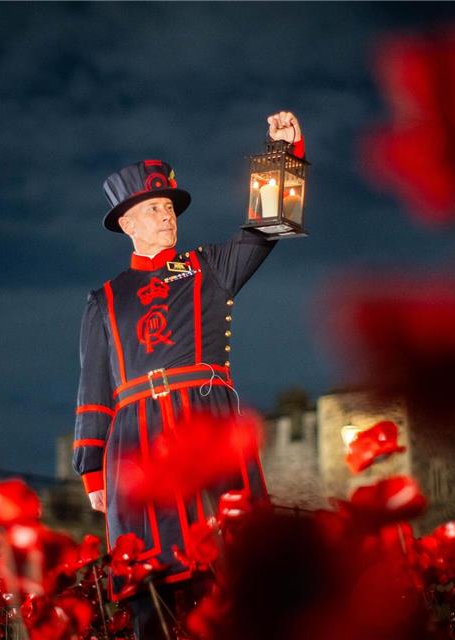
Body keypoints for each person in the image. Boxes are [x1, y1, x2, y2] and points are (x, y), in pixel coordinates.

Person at [73, 111, 305, 638]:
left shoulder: (210, 267)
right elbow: (94, 387)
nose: (166, 216)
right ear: (126, 223)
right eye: (153, 208)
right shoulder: (103, 300)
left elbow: (270, 226)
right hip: (135, 443)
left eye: (169, 207)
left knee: (231, 568)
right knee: (150, 581)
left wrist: (283, 156)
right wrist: (91, 469)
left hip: (208, 423)